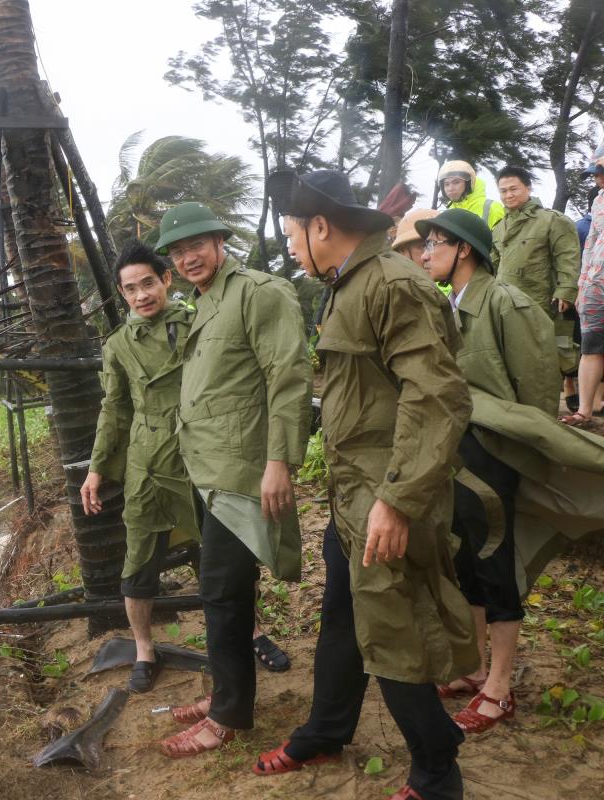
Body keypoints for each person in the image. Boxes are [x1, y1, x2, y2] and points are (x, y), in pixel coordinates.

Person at [259, 169, 476, 800]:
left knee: (392, 625)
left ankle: (437, 768)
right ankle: (327, 728)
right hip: (355, 492)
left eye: (294, 233)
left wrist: (398, 501)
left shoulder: (393, 285)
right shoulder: (347, 285)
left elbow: (437, 397)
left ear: (320, 226)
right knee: (343, 615)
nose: (292, 245)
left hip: (388, 493)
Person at [82, 242, 292, 694]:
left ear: (166, 281)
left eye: (148, 283)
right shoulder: (118, 346)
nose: (141, 295)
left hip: (201, 456)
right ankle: (144, 648)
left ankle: (252, 632)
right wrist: (97, 468)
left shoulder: (198, 321)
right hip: (146, 464)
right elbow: (114, 409)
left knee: (218, 555)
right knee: (139, 561)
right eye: (131, 289)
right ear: (122, 295)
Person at [151, 202, 312, 757]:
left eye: (196, 245)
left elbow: (288, 378)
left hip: (242, 471)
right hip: (206, 467)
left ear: (221, 241)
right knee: (223, 591)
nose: (187, 257)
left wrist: (279, 463)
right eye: (176, 251)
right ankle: (226, 692)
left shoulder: (260, 292)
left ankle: (228, 716)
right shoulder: (201, 304)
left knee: (221, 591)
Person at [416, 209, 561, 734]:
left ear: (464, 250)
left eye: (434, 243)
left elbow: (538, 389)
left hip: (497, 455)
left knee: (495, 564)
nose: (426, 252)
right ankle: (473, 669)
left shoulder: (506, 302)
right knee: (467, 563)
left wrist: (528, 456)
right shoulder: (444, 306)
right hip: (456, 454)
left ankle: (499, 688)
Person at [491, 165, 581, 381]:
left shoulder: (552, 220)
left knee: (547, 360)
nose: (508, 195)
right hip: (506, 303)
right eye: (503, 191)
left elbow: (568, 256)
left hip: (541, 302)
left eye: (514, 189)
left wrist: (566, 291)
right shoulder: (498, 227)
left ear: (528, 188)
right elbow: (494, 264)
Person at [569, 155, 604, 427]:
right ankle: (584, 411)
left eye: (601, 172)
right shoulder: (598, 200)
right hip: (595, 285)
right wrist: (582, 285)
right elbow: (589, 244)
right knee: (590, 347)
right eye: (595, 174)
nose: (598, 178)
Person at [438, 160, 504, 229]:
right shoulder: (449, 211)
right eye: (446, 184)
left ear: (468, 183)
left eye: (456, 182)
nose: (450, 188)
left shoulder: (492, 207)